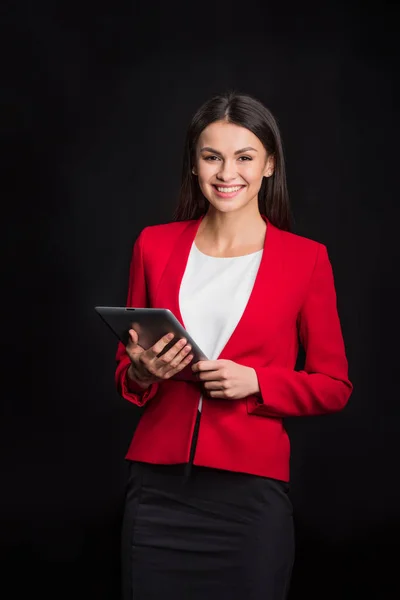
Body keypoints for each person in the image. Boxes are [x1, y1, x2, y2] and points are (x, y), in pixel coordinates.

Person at [115, 91, 353, 600]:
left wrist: (259, 381)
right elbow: (127, 372)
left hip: (249, 495)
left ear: (269, 165)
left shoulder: (307, 260)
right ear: (195, 164)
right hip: (156, 489)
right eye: (212, 156)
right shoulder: (152, 246)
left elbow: (335, 386)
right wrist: (142, 372)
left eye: (244, 157)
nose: (227, 172)